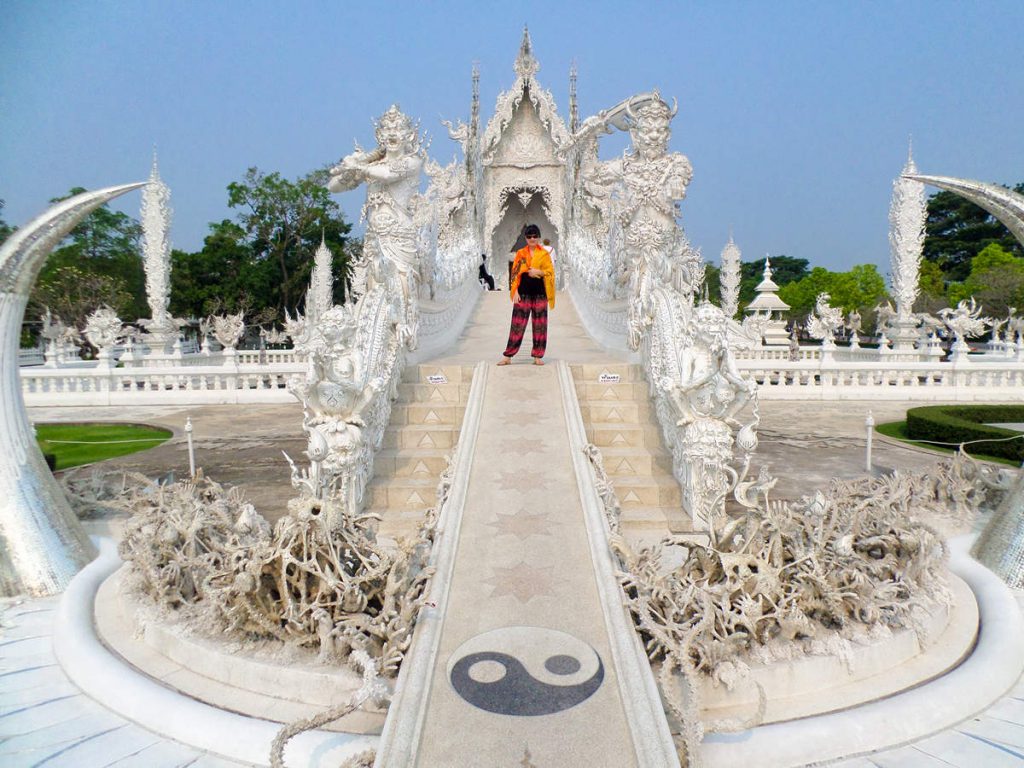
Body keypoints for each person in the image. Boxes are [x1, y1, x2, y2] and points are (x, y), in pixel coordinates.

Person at [498, 224, 555, 366]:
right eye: (529, 236)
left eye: (535, 236)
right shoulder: (520, 253)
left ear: (538, 237)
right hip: (523, 293)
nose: (532, 238)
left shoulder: (544, 254)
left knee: (540, 325)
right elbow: (515, 274)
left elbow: (550, 273)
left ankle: (537, 355)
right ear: (526, 238)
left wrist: (538, 272)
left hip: (540, 294)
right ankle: (508, 355)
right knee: (517, 325)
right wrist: (515, 291)